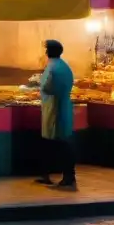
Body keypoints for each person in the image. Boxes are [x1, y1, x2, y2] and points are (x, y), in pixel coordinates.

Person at [36, 39, 76, 190]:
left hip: (53, 108)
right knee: (56, 143)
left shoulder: (51, 67)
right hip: (63, 106)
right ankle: (49, 174)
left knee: (58, 144)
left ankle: (68, 176)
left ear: (48, 52)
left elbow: (46, 86)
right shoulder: (65, 66)